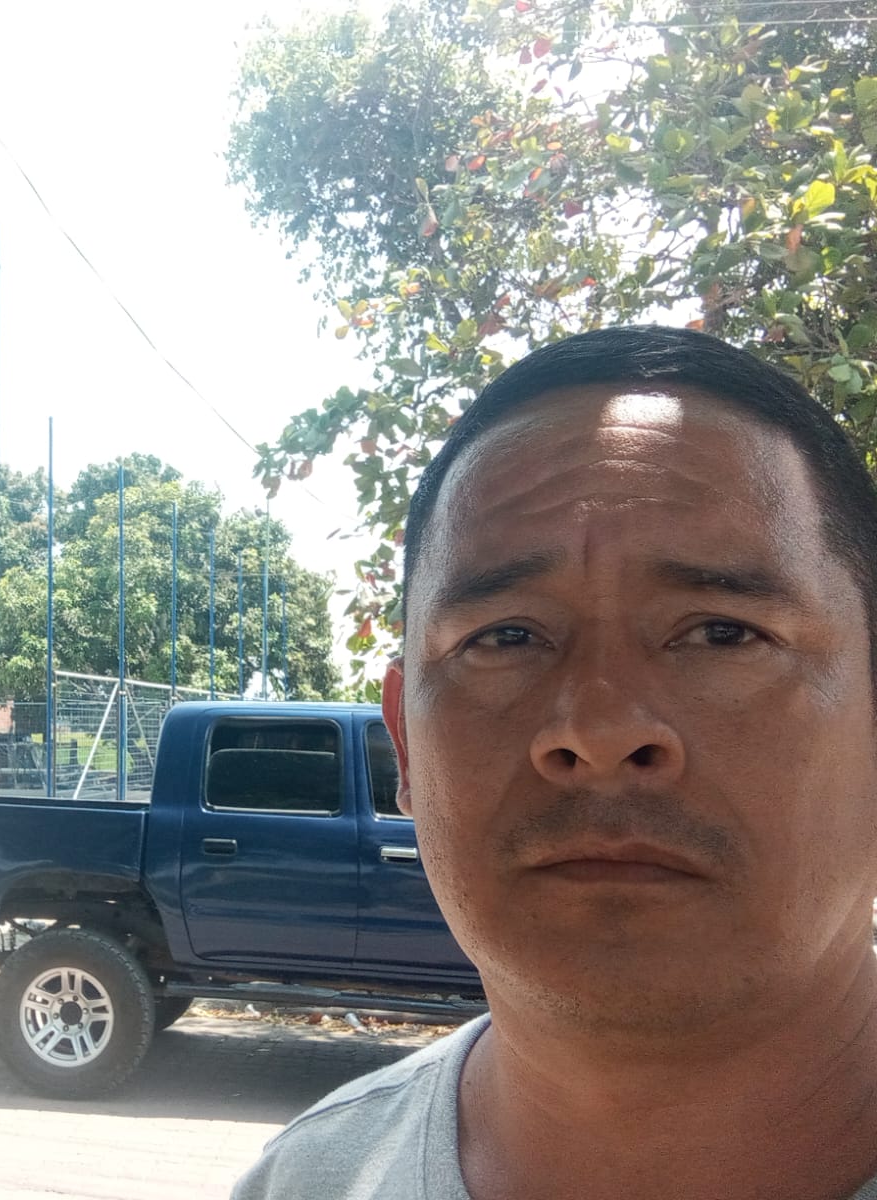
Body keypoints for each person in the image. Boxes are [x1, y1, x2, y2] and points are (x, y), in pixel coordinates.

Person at [233, 325, 877, 1200]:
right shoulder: (305, 1181)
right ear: (407, 744)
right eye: (506, 637)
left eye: (724, 633)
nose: (599, 729)